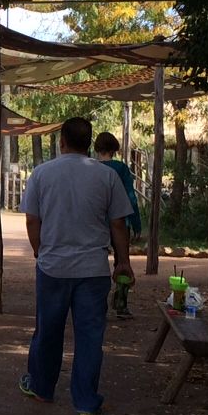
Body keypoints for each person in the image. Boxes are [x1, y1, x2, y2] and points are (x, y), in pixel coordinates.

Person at [19, 116, 135, 415]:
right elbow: (118, 223)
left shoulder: (42, 174)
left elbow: (32, 219)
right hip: (93, 269)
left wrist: (39, 250)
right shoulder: (106, 177)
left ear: (62, 141)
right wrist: (123, 261)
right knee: (89, 337)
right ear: (89, 143)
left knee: (48, 331)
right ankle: (85, 402)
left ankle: (43, 387)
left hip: (53, 267)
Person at [94, 132, 143, 317]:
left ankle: (97, 303)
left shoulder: (91, 168)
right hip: (121, 221)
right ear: (115, 149)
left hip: (98, 221)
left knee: (97, 260)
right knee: (122, 261)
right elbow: (130, 196)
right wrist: (136, 222)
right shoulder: (121, 169)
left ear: (97, 148)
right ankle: (121, 303)